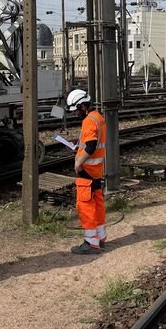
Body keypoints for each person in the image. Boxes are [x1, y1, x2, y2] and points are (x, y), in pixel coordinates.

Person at [66, 88, 107, 255]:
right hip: (96, 170)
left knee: (85, 205)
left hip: (87, 170)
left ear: (83, 106)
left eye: (76, 110)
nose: (76, 113)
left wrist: (78, 162)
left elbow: (90, 146)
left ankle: (91, 242)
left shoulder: (89, 121)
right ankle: (100, 236)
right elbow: (92, 143)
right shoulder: (98, 117)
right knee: (97, 203)